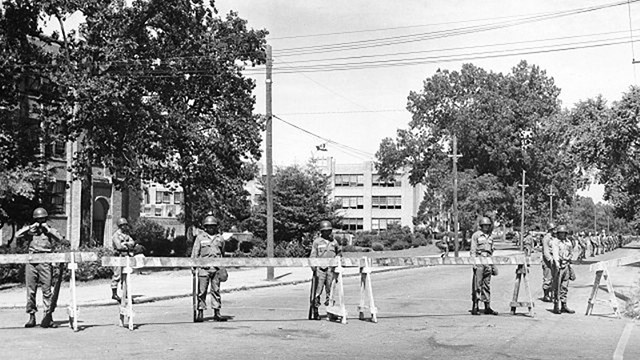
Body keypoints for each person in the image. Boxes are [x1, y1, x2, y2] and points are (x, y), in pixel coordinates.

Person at [15, 207, 66, 328]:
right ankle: (31, 316)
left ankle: (48, 316)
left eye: (42, 219)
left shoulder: (49, 231)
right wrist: (29, 227)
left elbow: (60, 239)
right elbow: (17, 235)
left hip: (45, 262)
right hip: (32, 261)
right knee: (30, 291)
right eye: (38, 219)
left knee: (47, 291)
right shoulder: (31, 232)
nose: (40, 221)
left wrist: (47, 229)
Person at [191, 215, 226, 322]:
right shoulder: (200, 238)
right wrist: (193, 266)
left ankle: (217, 312)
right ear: (205, 227)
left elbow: (222, 253)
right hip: (203, 268)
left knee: (216, 291)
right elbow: (195, 252)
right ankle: (200, 312)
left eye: (213, 226)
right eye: (209, 226)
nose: (211, 228)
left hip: (216, 269)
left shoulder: (220, 238)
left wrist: (222, 267)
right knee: (202, 291)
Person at [309, 220, 342, 320]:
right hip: (320, 270)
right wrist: (313, 267)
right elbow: (313, 255)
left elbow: (339, 253)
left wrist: (338, 260)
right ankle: (315, 310)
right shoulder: (317, 242)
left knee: (330, 291)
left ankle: (331, 311)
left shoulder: (334, 242)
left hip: (331, 270)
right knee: (317, 291)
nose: (327, 233)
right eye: (325, 231)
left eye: (328, 231)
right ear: (321, 232)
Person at [470, 217, 498, 316]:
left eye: (488, 225)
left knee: (487, 285)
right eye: (484, 225)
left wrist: (493, 265)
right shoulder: (476, 235)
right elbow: (473, 250)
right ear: (481, 226)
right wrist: (474, 263)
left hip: (488, 262)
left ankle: (487, 306)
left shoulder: (490, 237)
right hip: (479, 261)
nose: (486, 227)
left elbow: (492, 251)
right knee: (477, 285)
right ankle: (475, 306)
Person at [110, 218, 136, 302]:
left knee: (126, 275)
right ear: (120, 226)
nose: (126, 226)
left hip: (125, 256)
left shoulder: (126, 235)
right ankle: (114, 294)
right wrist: (125, 245)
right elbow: (119, 246)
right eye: (124, 225)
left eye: (126, 225)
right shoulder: (116, 235)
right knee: (117, 275)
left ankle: (125, 293)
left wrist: (126, 244)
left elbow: (132, 243)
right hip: (118, 257)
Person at [552, 225, 575, 314]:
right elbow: (555, 254)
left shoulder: (568, 242)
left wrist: (569, 261)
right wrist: (557, 264)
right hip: (558, 266)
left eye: (564, 233)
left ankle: (564, 305)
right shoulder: (555, 242)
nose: (562, 235)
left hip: (566, 265)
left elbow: (571, 252)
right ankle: (556, 305)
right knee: (557, 286)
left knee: (564, 286)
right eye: (560, 233)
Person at [541, 223, 556, 302]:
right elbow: (546, 251)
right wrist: (550, 260)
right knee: (548, 278)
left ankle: (552, 294)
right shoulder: (546, 238)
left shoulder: (553, 238)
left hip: (554, 260)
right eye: (553, 229)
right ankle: (546, 295)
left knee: (554, 278)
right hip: (548, 262)